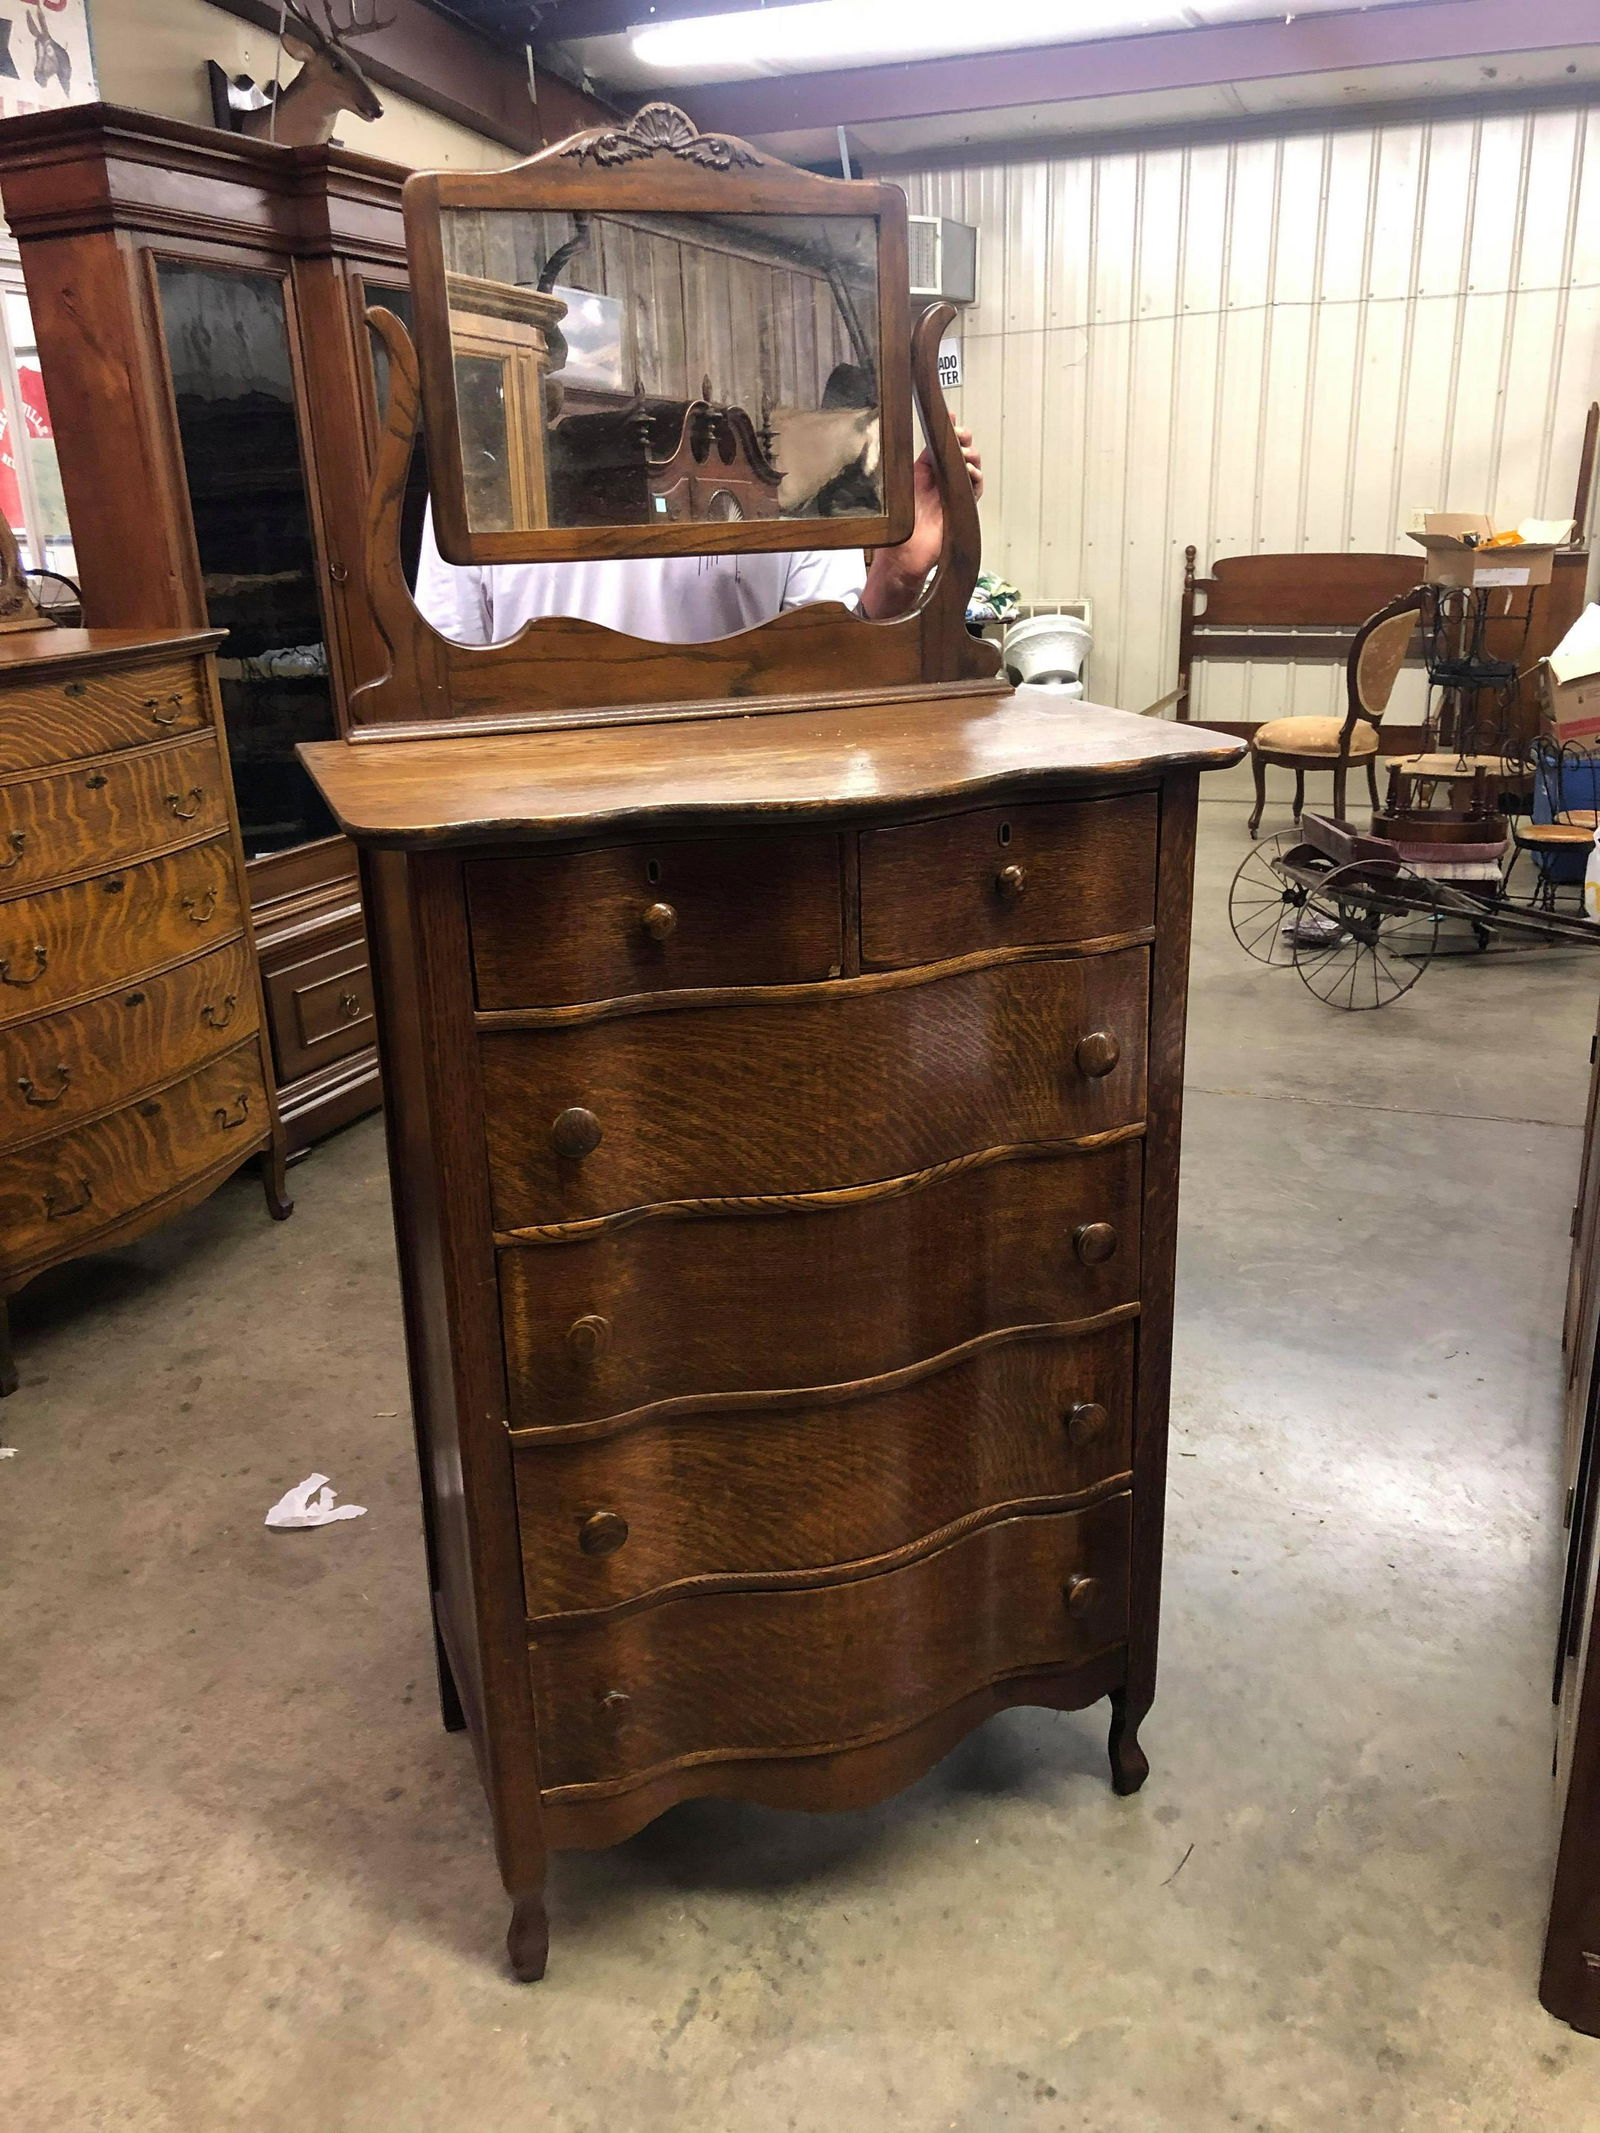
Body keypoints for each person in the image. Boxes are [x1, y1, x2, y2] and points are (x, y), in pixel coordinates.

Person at [413, 428, 983, 647]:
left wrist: (898, 575)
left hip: (743, 827)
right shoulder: (481, 493)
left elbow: (839, 675)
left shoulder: (777, 490)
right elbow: (445, 688)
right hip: (542, 839)